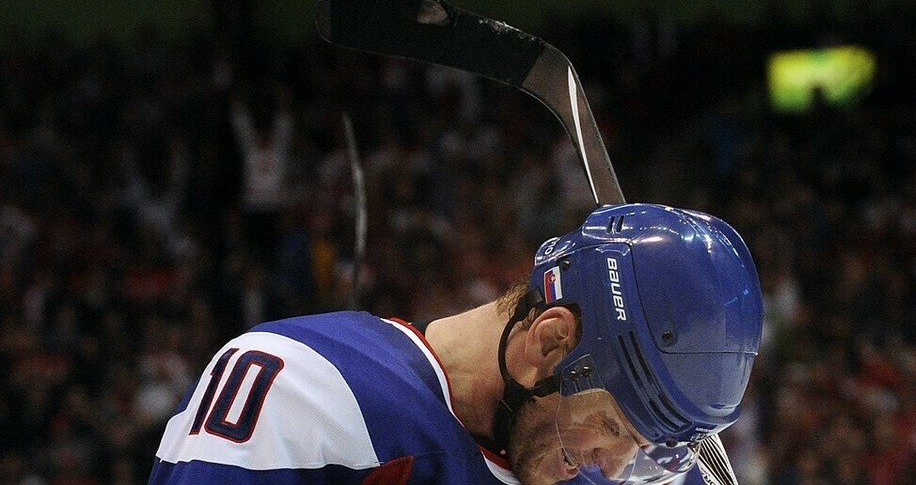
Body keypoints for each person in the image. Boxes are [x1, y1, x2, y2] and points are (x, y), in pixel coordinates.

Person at [147, 203, 763, 485]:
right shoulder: (305, 384)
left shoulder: (571, 469)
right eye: (611, 427)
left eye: (643, 451)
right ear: (550, 342)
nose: (613, 466)